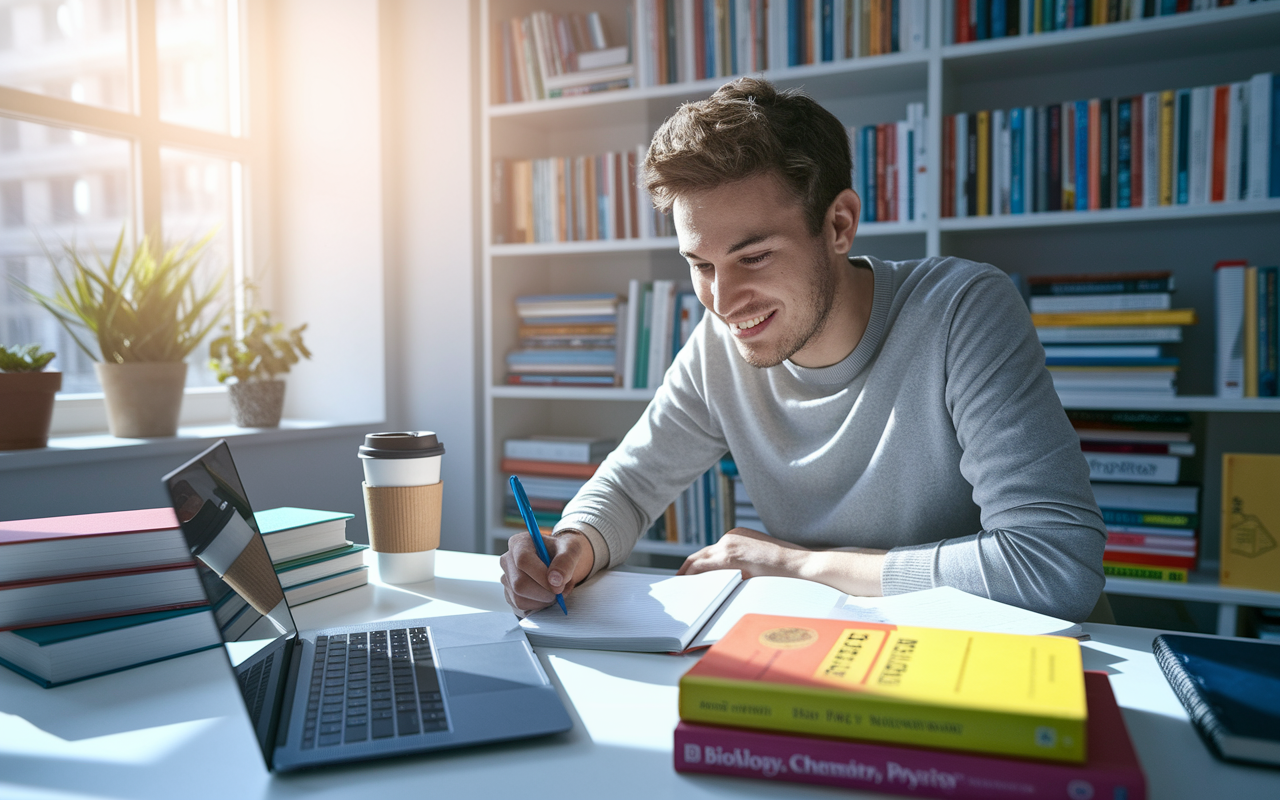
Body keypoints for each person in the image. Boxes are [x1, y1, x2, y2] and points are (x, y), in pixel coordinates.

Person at [500, 77, 1106, 623]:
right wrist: (571, 545)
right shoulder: (722, 343)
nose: (724, 300)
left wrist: (799, 565)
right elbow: (630, 488)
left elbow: (1055, 567)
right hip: (846, 650)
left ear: (839, 225)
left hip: (1017, 662)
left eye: (754, 257)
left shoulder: (961, 310)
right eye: (701, 265)